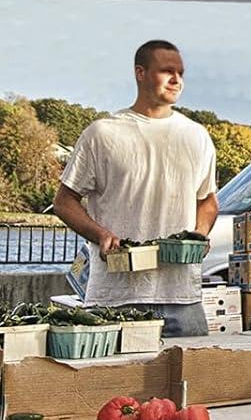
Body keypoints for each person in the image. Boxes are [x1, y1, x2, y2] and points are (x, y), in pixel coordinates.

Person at [54, 40, 218, 335]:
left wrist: (199, 233)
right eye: (166, 70)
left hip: (181, 297)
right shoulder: (102, 134)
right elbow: (64, 201)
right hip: (115, 298)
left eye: (180, 72)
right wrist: (100, 234)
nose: (176, 79)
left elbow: (207, 201)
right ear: (140, 73)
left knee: (196, 381)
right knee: (114, 383)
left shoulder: (197, 136)